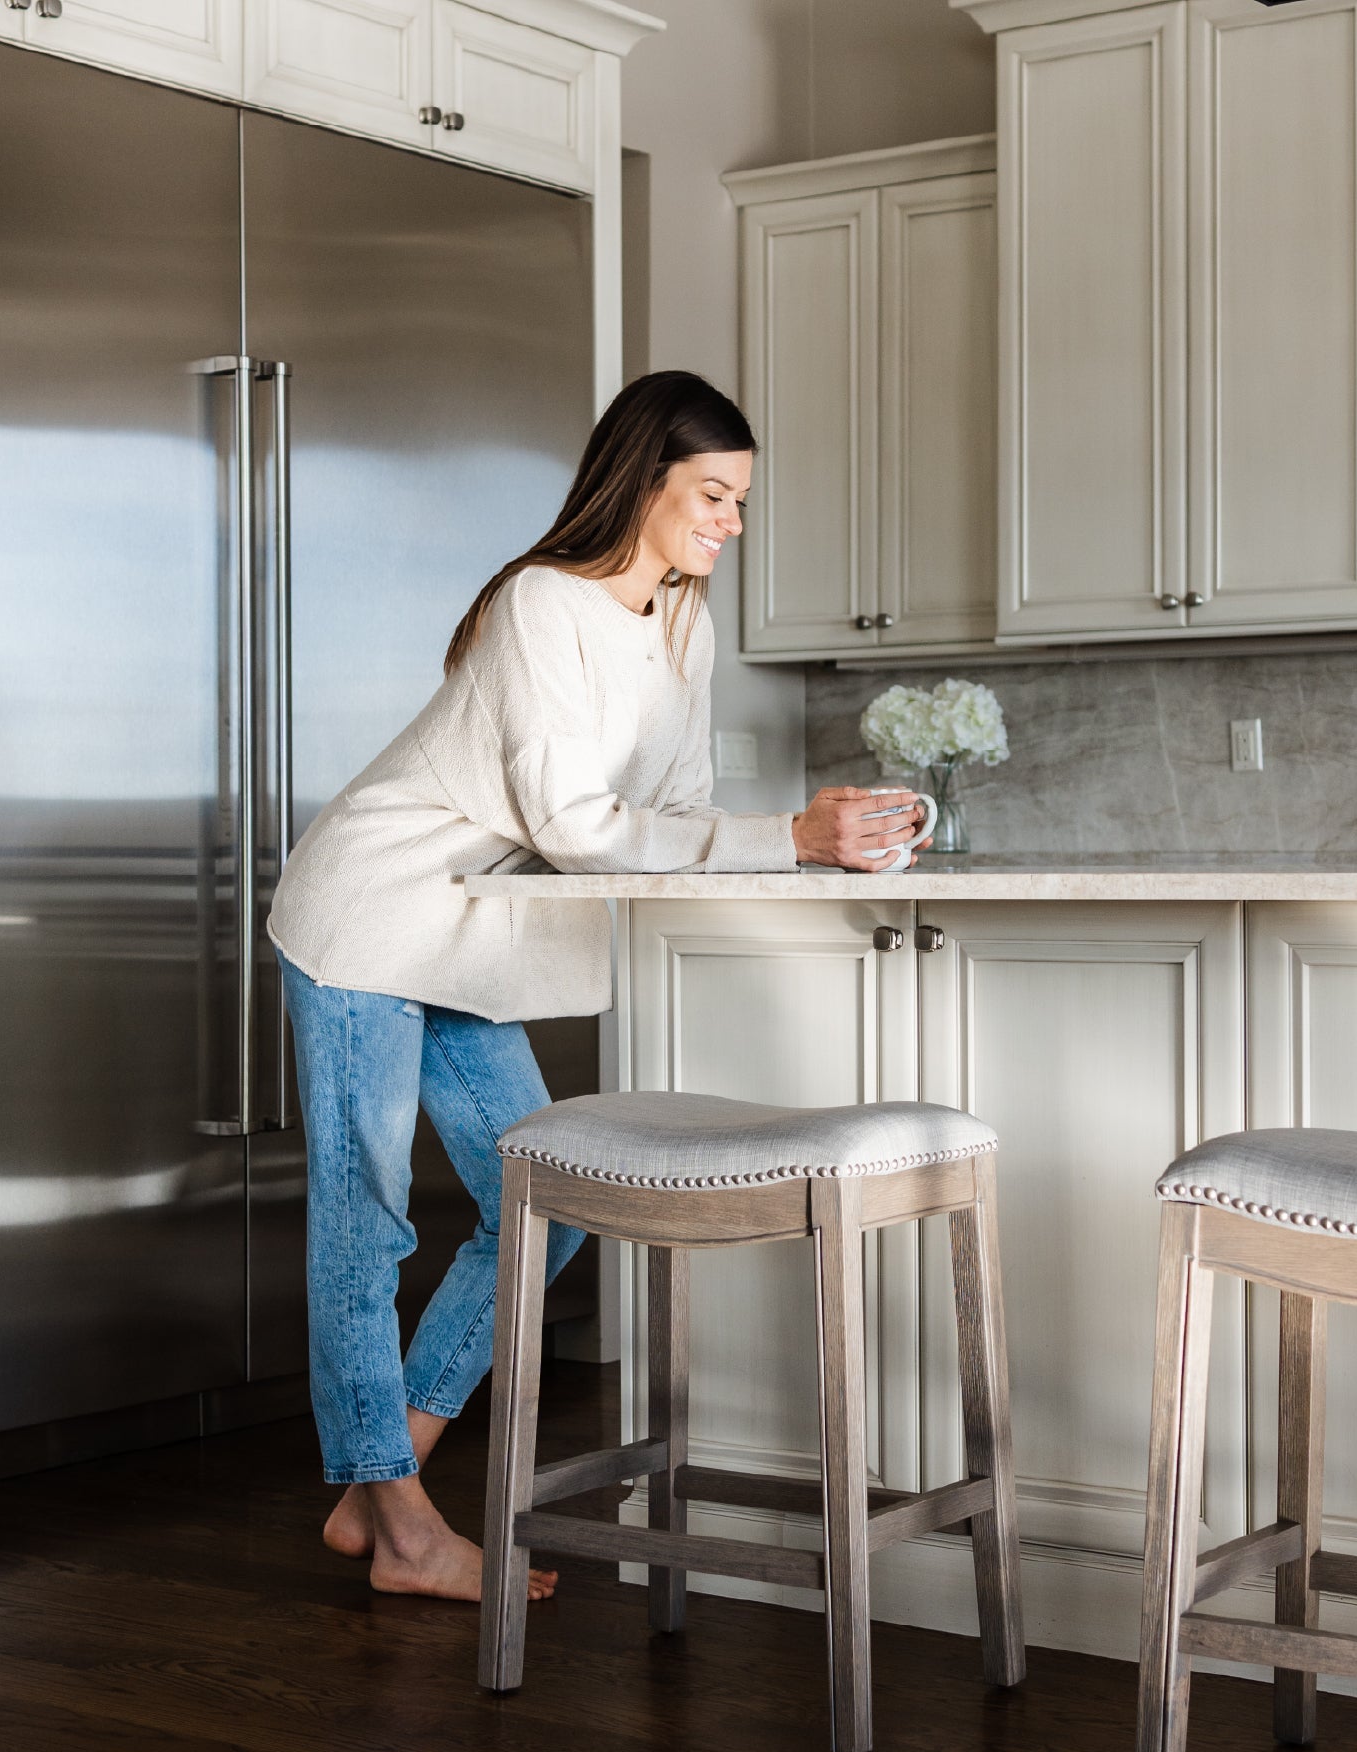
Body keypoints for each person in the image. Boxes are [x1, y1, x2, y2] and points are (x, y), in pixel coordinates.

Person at [267, 369, 929, 1603]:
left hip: (476, 941)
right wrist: (786, 834)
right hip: (371, 917)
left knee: (552, 1202)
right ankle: (408, 1534)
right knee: (368, 1223)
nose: (732, 521)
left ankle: (379, 1478)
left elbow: (667, 815)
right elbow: (579, 824)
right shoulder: (540, 605)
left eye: (740, 499)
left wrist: (825, 837)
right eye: (714, 494)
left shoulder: (684, 623)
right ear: (644, 484)